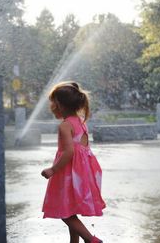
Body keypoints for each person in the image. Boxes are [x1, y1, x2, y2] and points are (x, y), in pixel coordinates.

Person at [41, 81, 106, 243]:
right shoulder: (80, 121)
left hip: (68, 173)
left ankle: (91, 239)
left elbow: (69, 152)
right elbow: (81, 150)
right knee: (70, 208)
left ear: (59, 105)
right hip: (81, 172)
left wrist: (53, 170)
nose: (51, 106)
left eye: (52, 103)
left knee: (64, 212)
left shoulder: (65, 125)